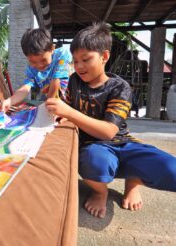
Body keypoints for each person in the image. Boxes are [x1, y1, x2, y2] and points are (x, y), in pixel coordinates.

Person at [45, 22, 176, 219]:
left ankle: (133, 181)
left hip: (123, 143)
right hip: (93, 147)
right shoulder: (74, 82)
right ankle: (100, 191)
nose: (79, 66)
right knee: (95, 160)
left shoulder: (119, 87)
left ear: (104, 56)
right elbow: (65, 111)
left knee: (170, 169)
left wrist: (69, 112)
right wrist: (59, 113)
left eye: (85, 59)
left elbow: (108, 132)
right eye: (75, 61)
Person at [0, 28, 71, 111]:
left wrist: (46, 108)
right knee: (32, 98)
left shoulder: (61, 55)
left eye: (43, 60)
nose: (39, 65)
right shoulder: (31, 69)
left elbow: (56, 83)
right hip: (48, 100)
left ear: (52, 49)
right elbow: (26, 88)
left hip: (68, 101)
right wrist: (9, 101)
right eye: (33, 61)